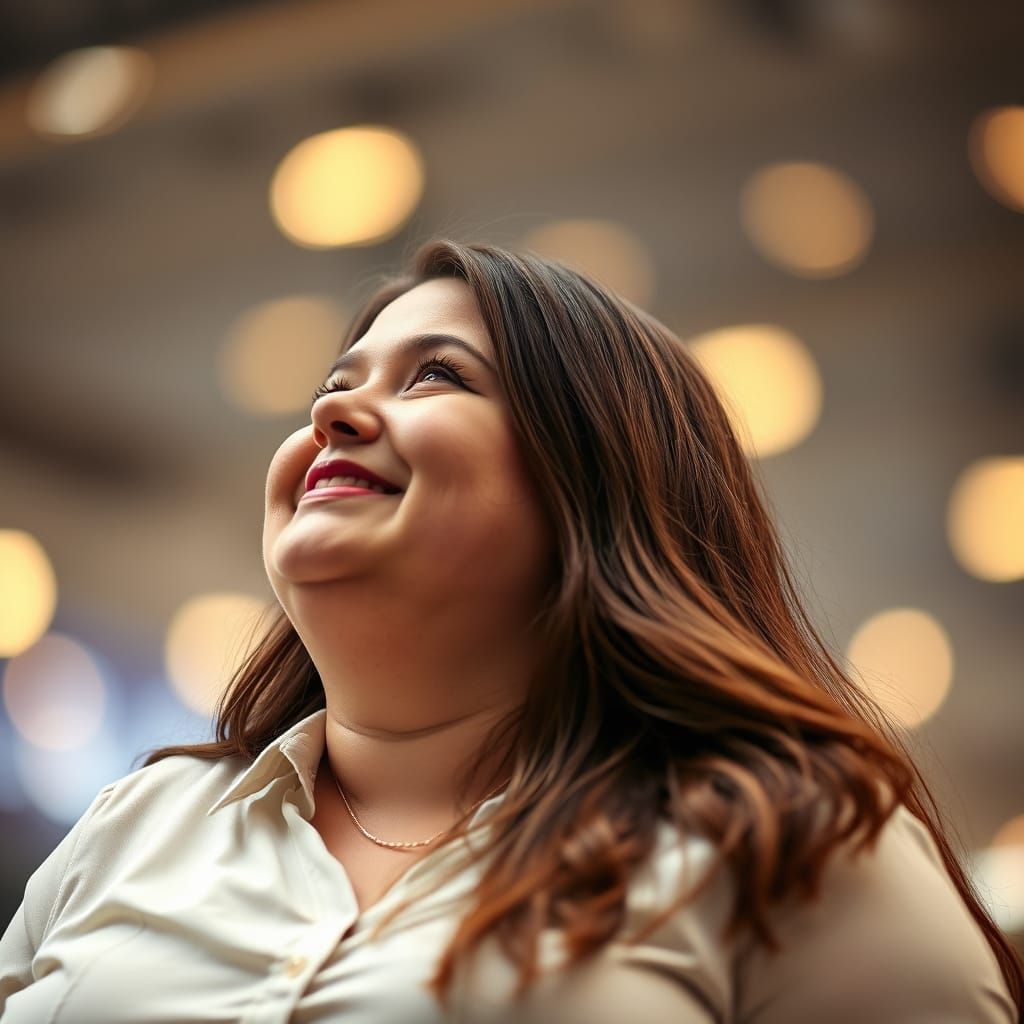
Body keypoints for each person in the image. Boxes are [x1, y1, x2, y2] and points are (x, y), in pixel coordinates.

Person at [1, 239, 1020, 1024]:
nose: (337, 416)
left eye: (434, 374)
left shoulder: (792, 841)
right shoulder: (131, 825)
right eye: (332, 388)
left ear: (599, 482)